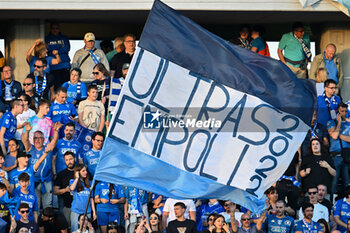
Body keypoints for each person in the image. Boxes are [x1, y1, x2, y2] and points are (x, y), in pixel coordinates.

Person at [22, 122, 60, 209]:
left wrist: (56, 131)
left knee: (48, 206)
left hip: (46, 181)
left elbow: (54, 141)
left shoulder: (47, 148)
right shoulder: (30, 149)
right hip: (33, 182)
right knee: (36, 205)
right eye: (35, 138)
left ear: (44, 139)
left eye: (40, 138)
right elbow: (25, 140)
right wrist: (27, 131)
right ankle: (37, 222)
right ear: (33, 139)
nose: (38, 140)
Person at [327, 102, 350, 194]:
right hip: (335, 156)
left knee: (347, 181)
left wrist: (339, 135)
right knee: (334, 181)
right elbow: (334, 135)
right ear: (337, 112)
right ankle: (331, 202)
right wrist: (339, 122)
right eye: (341, 111)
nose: (343, 113)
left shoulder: (349, 124)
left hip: (347, 156)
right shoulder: (331, 123)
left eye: (345, 111)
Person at [69, 164, 96, 232]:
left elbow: (91, 198)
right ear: (78, 172)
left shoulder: (89, 183)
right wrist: (77, 178)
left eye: (86, 170)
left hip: (87, 211)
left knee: (88, 230)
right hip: (76, 211)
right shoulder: (72, 181)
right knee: (75, 230)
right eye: (83, 171)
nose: (86, 172)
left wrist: (94, 212)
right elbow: (71, 188)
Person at [53, 151, 76, 228]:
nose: (69, 162)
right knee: (68, 228)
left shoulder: (82, 171)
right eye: (66, 160)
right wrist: (65, 190)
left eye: (71, 159)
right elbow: (55, 191)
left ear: (75, 159)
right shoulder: (61, 174)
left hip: (81, 206)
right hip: (68, 206)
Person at [45, 22, 71, 89]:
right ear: (50, 29)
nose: (55, 30)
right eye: (53, 28)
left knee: (66, 88)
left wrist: (57, 51)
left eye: (57, 28)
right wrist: (60, 48)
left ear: (59, 29)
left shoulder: (64, 38)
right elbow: (47, 49)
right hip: (54, 68)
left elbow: (67, 48)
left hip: (65, 67)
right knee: (56, 88)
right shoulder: (47, 39)